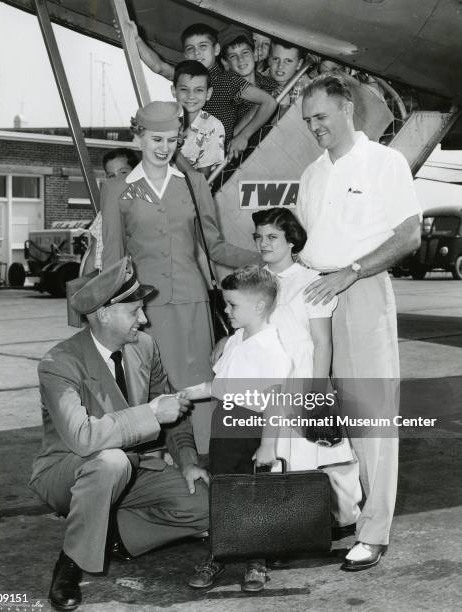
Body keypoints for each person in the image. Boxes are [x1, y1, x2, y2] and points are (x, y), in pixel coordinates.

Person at [29, 257, 209, 611]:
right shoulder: (59, 364)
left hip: (133, 470)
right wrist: (150, 413)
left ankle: (110, 535)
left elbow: (171, 410)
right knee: (109, 462)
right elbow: (82, 438)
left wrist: (188, 461)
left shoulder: (144, 346)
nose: (143, 319)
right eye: (135, 311)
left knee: (205, 504)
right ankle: (70, 562)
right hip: (70, 471)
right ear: (104, 314)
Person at [296, 74, 421, 570]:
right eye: (308, 121)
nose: (315, 128)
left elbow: (409, 235)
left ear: (347, 109)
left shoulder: (384, 163)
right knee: (318, 410)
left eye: (321, 117)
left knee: (371, 419)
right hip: (313, 294)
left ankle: (374, 532)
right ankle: (339, 513)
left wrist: (351, 272)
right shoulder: (310, 174)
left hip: (361, 291)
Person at [100, 101, 261, 453]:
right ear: (138, 136)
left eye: (172, 140)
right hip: (144, 310)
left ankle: (206, 460)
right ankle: (163, 464)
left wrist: (266, 258)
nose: (164, 148)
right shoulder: (116, 189)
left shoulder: (194, 183)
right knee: (152, 389)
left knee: (200, 387)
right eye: (156, 139)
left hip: (192, 303)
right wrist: (108, 312)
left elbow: (215, 246)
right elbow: (112, 257)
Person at [181, 265, 292, 592]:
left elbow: (275, 402)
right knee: (223, 492)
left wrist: (268, 445)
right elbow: (220, 385)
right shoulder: (235, 342)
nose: (226, 311)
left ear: (258, 306)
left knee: (254, 496)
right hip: (225, 428)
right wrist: (189, 393)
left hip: (252, 431)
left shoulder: (270, 349)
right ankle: (218, 552)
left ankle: (257, 560)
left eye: (233, 305)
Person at [252, 207, 361, 528]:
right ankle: (294, 526)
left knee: (324, 454)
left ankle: (344, 520)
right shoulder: (253, 281)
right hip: (269, 381)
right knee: (278, 457)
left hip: (304, 378)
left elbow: (322, 342)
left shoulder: (310, 282)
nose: (263, 244)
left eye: (272, 237)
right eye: (259, 237)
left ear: (292, 241)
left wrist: (316, 390)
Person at [124, 20, 277, 158]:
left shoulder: (228, 80)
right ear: (185, 55)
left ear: (216, 49)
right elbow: (159, 67)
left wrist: (244, 136)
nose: (196, 53)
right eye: (190, 49)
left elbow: (268, 102)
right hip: (192, 153)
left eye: (203, 47)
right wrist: (137, 40)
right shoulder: (188, 77)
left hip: (220, 159)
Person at [84, 148, 139, 274]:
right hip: (110, 282)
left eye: (123, 173)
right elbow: (93, 254)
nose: (118, 180)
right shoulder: (103, 216)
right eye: (111, 176)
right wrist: (84, 288)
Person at [218, 25, 276, 141]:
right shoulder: (224, 87)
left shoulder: (270, 83)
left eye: (245, 52)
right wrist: (260, 104)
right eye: (233, 56)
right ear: (225, 62)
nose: (241, 59)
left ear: (254, 53)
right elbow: (226, 137)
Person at [171, 60, 225, 176]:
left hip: (188, 192)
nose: (191, 96)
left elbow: (201, 181)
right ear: (174, 91)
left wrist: (172, 149)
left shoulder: (213, 126)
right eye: (184, 89)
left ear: (208, 93)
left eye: (199, 90)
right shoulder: (168, 122)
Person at [269, 40, 310, 107]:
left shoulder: (305, 89)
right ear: (269, 60)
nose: (280, 66)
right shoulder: (262, 78)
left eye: (288, 61)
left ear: (299, 64)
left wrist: (285, 107)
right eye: (276, 59)